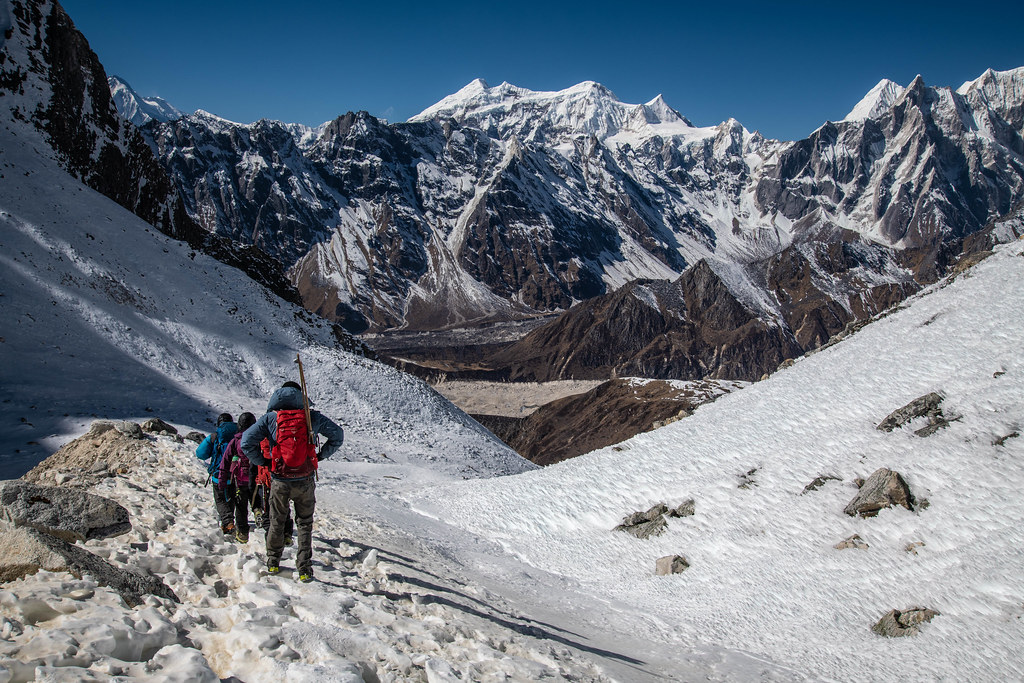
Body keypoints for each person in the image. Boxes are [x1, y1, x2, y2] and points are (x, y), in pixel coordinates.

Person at [241, 381, 344, 582]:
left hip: (279, 479)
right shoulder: (310, 417)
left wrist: (264, 461)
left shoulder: (271, 419)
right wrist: (320, 456)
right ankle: (304, 568)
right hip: (305, 479)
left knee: (277, 520)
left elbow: (246, 442)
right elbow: (338, 436)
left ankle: (273, 561)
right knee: (304, 523)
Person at [195, 412, 239, 535]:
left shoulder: (214, 437)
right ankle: (229, 522)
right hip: (234, 474)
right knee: (231, 497)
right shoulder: (238, 436)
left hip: (218, 474)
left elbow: (200, 453)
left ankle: (228, 522)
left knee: (220, 499)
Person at [218, 412, 257, 543]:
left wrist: (222, 481)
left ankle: (243, 533)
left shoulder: (235, 441)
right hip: (256, 480)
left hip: (240, 479)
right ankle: (259, 513)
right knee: (257, 501)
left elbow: (225, 462)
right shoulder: (259, 439)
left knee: (241, 507)